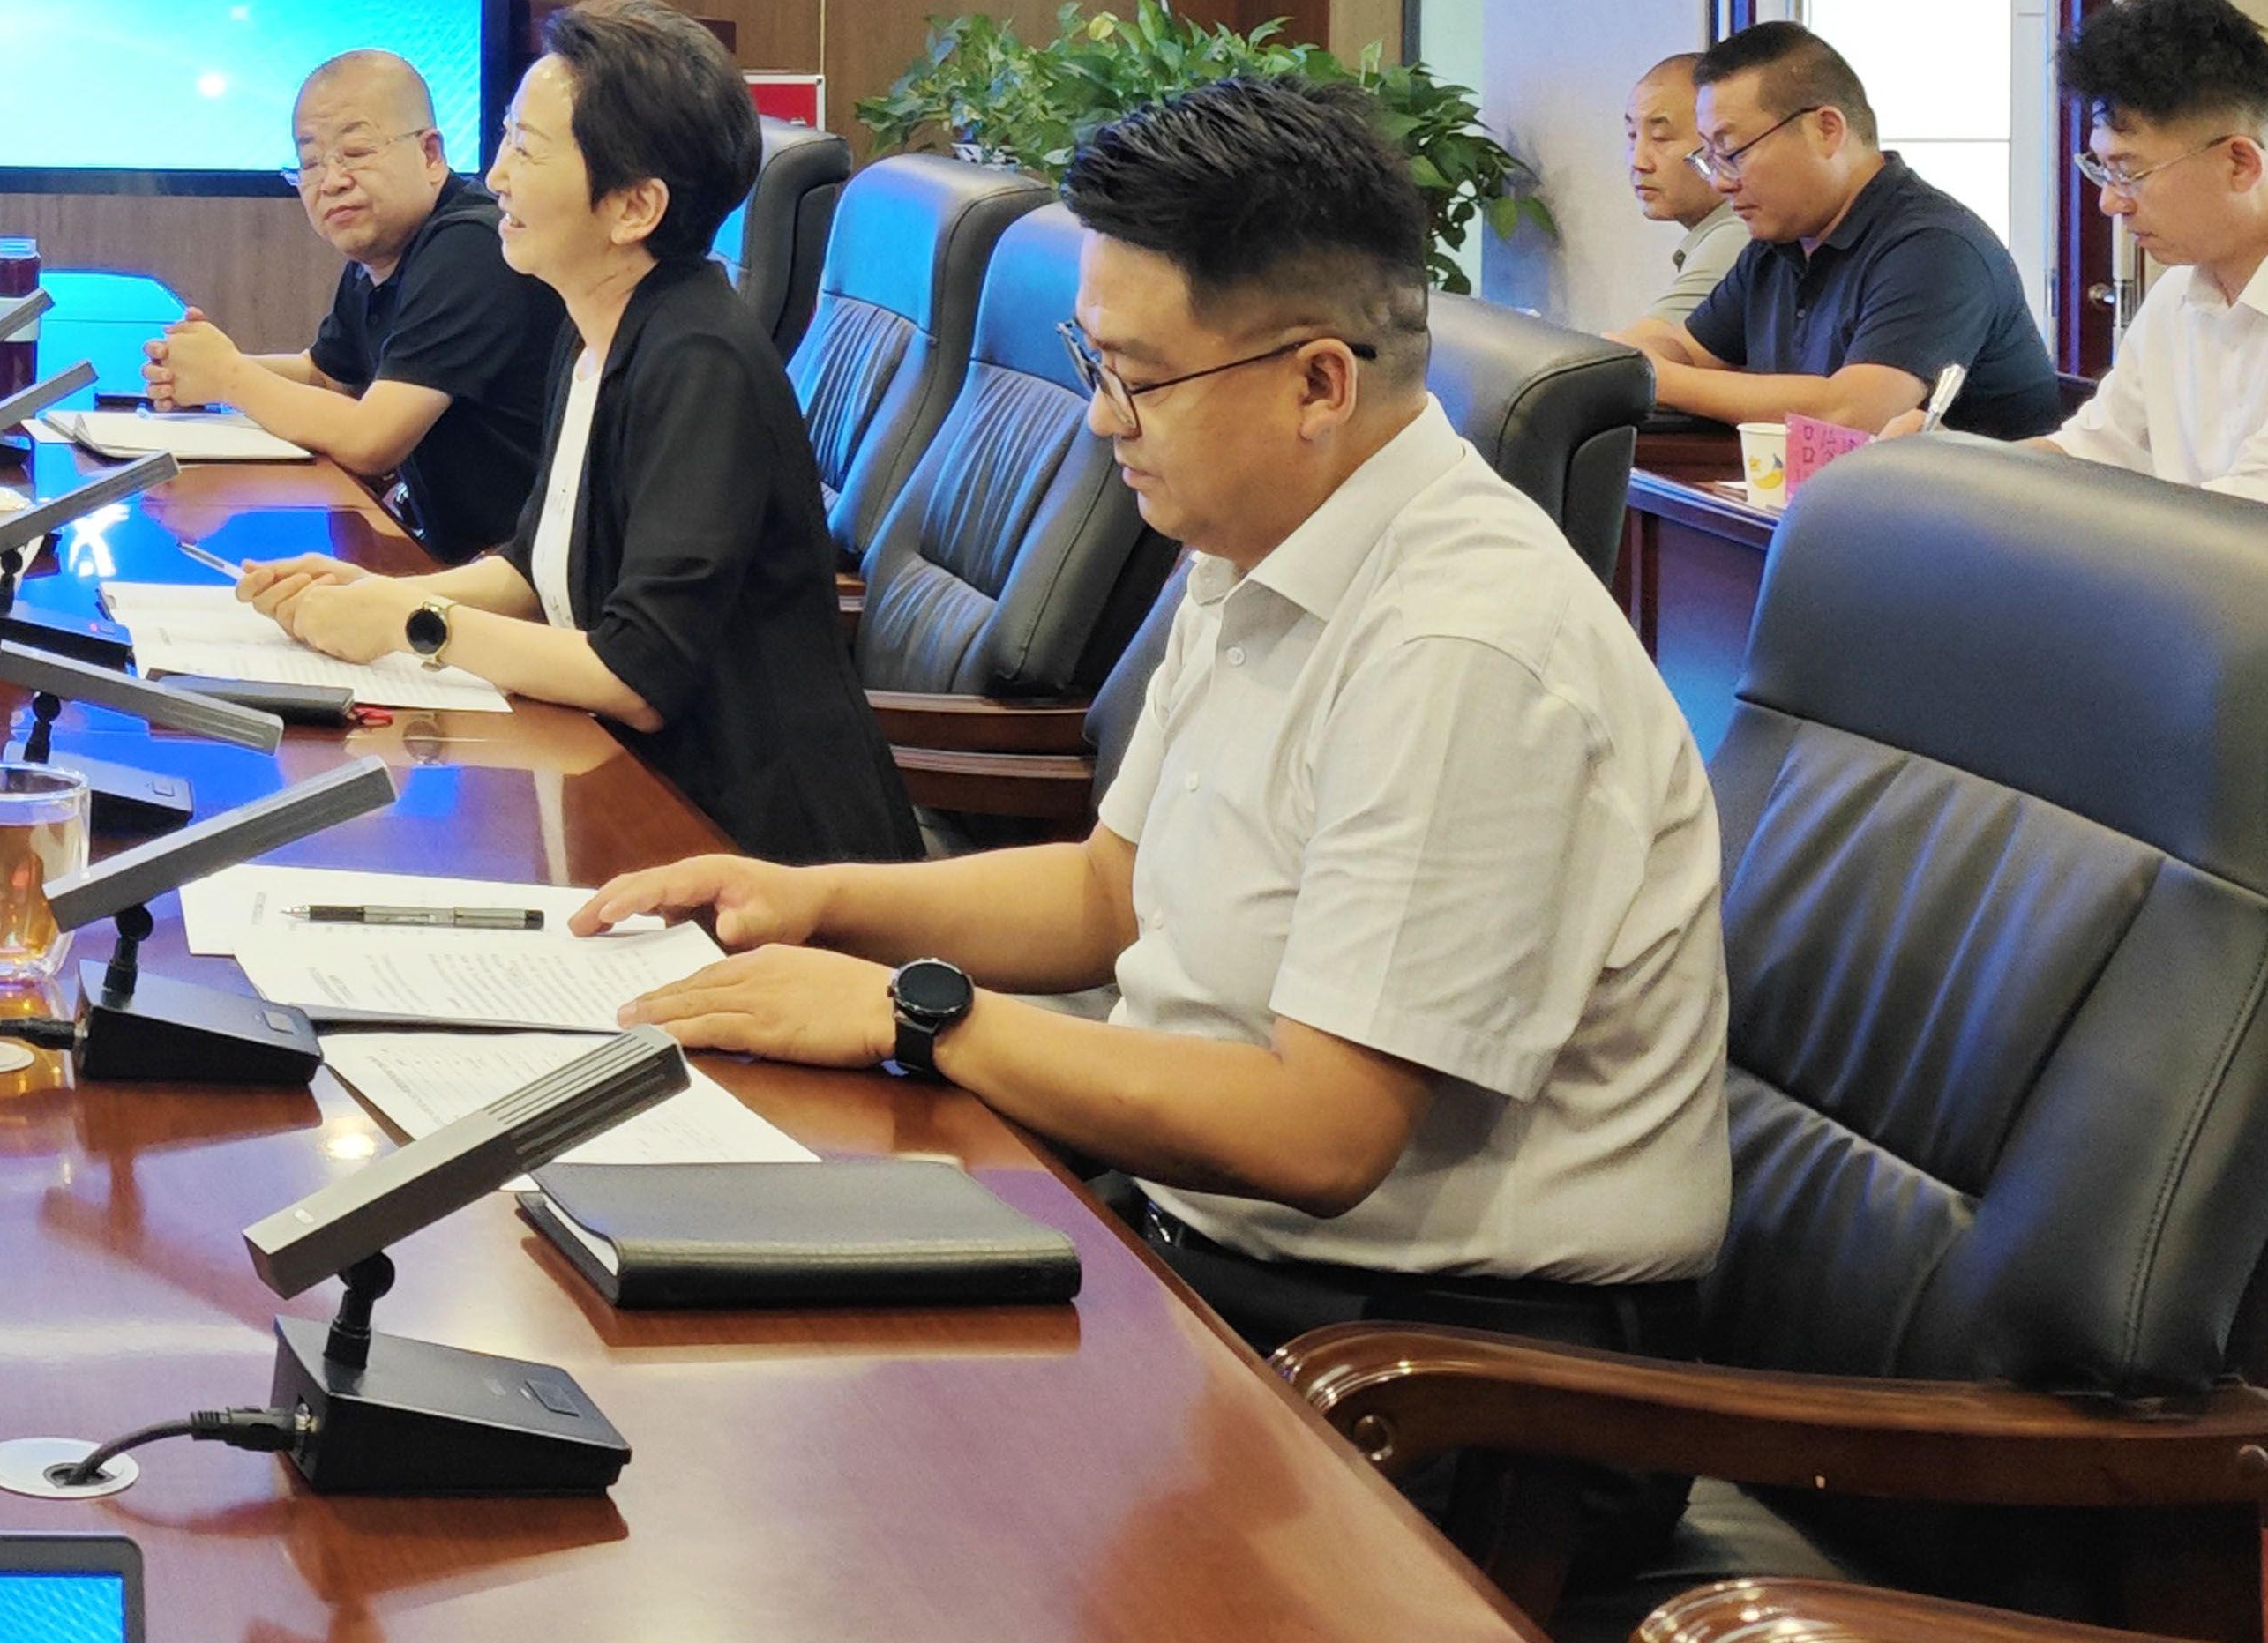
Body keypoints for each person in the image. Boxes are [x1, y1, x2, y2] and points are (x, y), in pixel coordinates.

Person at [583, 72, 1728, 1354]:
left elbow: (1323, 1132)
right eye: (1095, 361)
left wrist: (916, 1012)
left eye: (1135, 377)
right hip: (1197, 1238)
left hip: (1439, 1358)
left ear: (1319, 384)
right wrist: (816, 900)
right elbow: (1111, 895)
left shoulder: (1464, 647)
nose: (1098, 417)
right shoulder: (1262, 536)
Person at [235, 0, 911, 867]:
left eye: (527, 149)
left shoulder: (698, 362)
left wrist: (414, 621)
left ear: (634, 207)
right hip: (626, 794)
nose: (497, 176)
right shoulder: (595, 327)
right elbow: (537, 565)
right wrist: (374, 591)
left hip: (752, 849)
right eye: (505, 139)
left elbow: (638, 673)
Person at [137, 46, 565, 562]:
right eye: (310, 163)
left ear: (431, 155)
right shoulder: (379, 255)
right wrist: (200, 370)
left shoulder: (471, 246)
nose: (332, 181)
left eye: (357, 152)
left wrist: (229, 376)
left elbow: (370, 440)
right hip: (453, 554)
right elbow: (326, 375)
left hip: (522, 574)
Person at [1619, 21, 2059, 437]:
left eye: (1732, 152)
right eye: (1709, 158)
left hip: (1962, 495)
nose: (1720, 182)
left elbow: (1853, 412)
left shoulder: (1935, 248)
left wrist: (1655, 376)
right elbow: (1688, 352)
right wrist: (1625, 359)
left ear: (1826, 130)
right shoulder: (1779, 243)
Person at [2036, 0, 2268, 499]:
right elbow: (2089, 451)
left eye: (2130, 172)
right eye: (2103, 170)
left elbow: (2242, 521)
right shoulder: (2174, 296)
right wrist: (1944, 464)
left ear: (2239, 164)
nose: (2110, 203)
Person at [1624, 49, 1749, 326]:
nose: (1637, 161)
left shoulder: (1738, 231)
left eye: (1660, 137)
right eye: (1632, 136)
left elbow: (1640, 350)